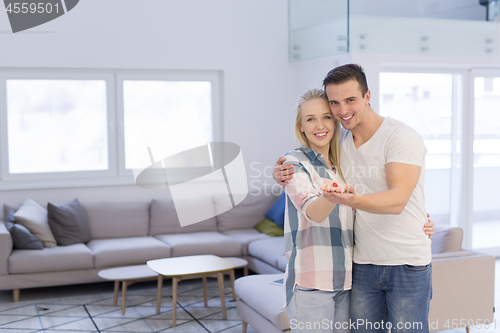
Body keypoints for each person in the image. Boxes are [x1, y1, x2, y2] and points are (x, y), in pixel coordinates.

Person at [274, 64, 433, 333]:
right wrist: (281, 174)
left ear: (367, 96)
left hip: (406, 262)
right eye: (335, 103)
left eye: (350, 100)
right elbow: (313, 199)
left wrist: (424, 219)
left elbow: (398, 199)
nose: (342, 110)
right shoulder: (339, 148)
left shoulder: (400, 136)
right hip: (362, 265)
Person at [283, 88, 353, 333]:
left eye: (326, 117)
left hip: (346, 281)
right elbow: (313, 211)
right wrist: (333, 195)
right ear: (301, 126)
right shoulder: (294, 163)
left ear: (334, 121)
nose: (319, 125)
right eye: (310, 119)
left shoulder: (343, 164)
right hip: (311, 284)